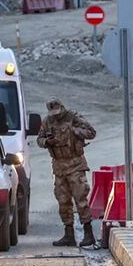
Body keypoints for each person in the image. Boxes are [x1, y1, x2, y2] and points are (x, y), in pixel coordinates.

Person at [37, 98, 97, 248]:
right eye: (53, 113)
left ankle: (88, 234)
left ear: (62, 108)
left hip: (75, 164)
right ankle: (68, 233)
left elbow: (91, 132)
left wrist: (75, 132)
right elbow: (39, 139)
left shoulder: (74, 118)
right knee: (63, 201)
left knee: (80, 199)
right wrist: (47, 142)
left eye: (57, 113)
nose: (56, 116)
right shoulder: (47, 122)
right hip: (59, 167)